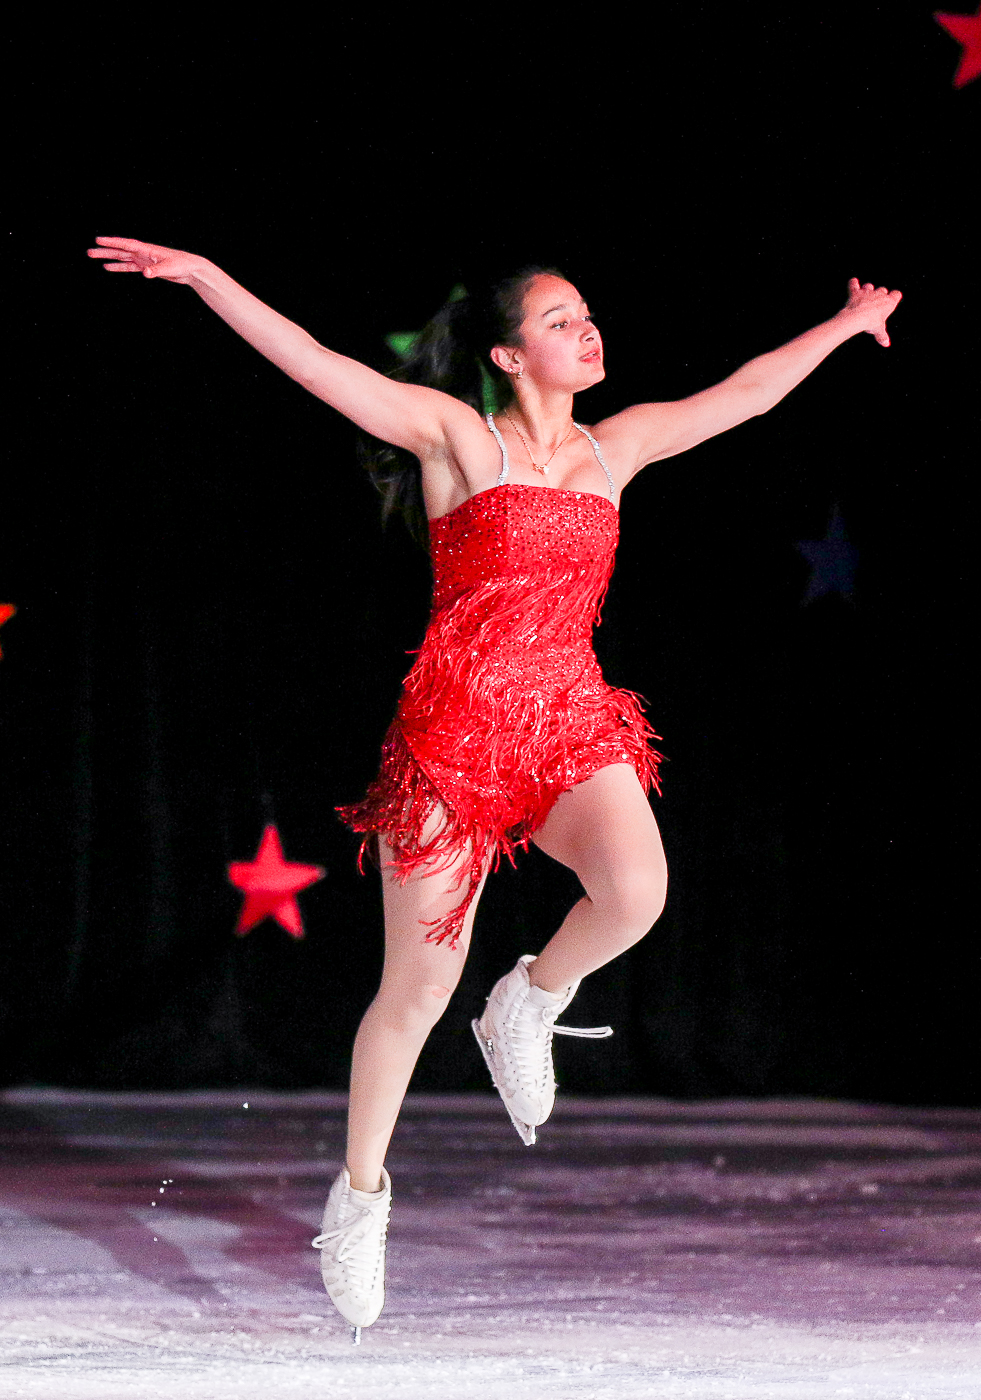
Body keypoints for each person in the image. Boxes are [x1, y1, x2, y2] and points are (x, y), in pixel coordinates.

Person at [87, 237, 902, 1338]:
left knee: (636, 890)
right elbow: (319, 364)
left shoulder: (617, 446)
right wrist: (208, 279)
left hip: (568, 718)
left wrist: (845, 325)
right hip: (455, 733)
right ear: (511, 356)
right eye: (561, 320)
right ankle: (360, 1196)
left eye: (588, 313)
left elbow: (747, 394)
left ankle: (530, 997)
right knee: (417, 990)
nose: (588, 329)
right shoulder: (459, 438)